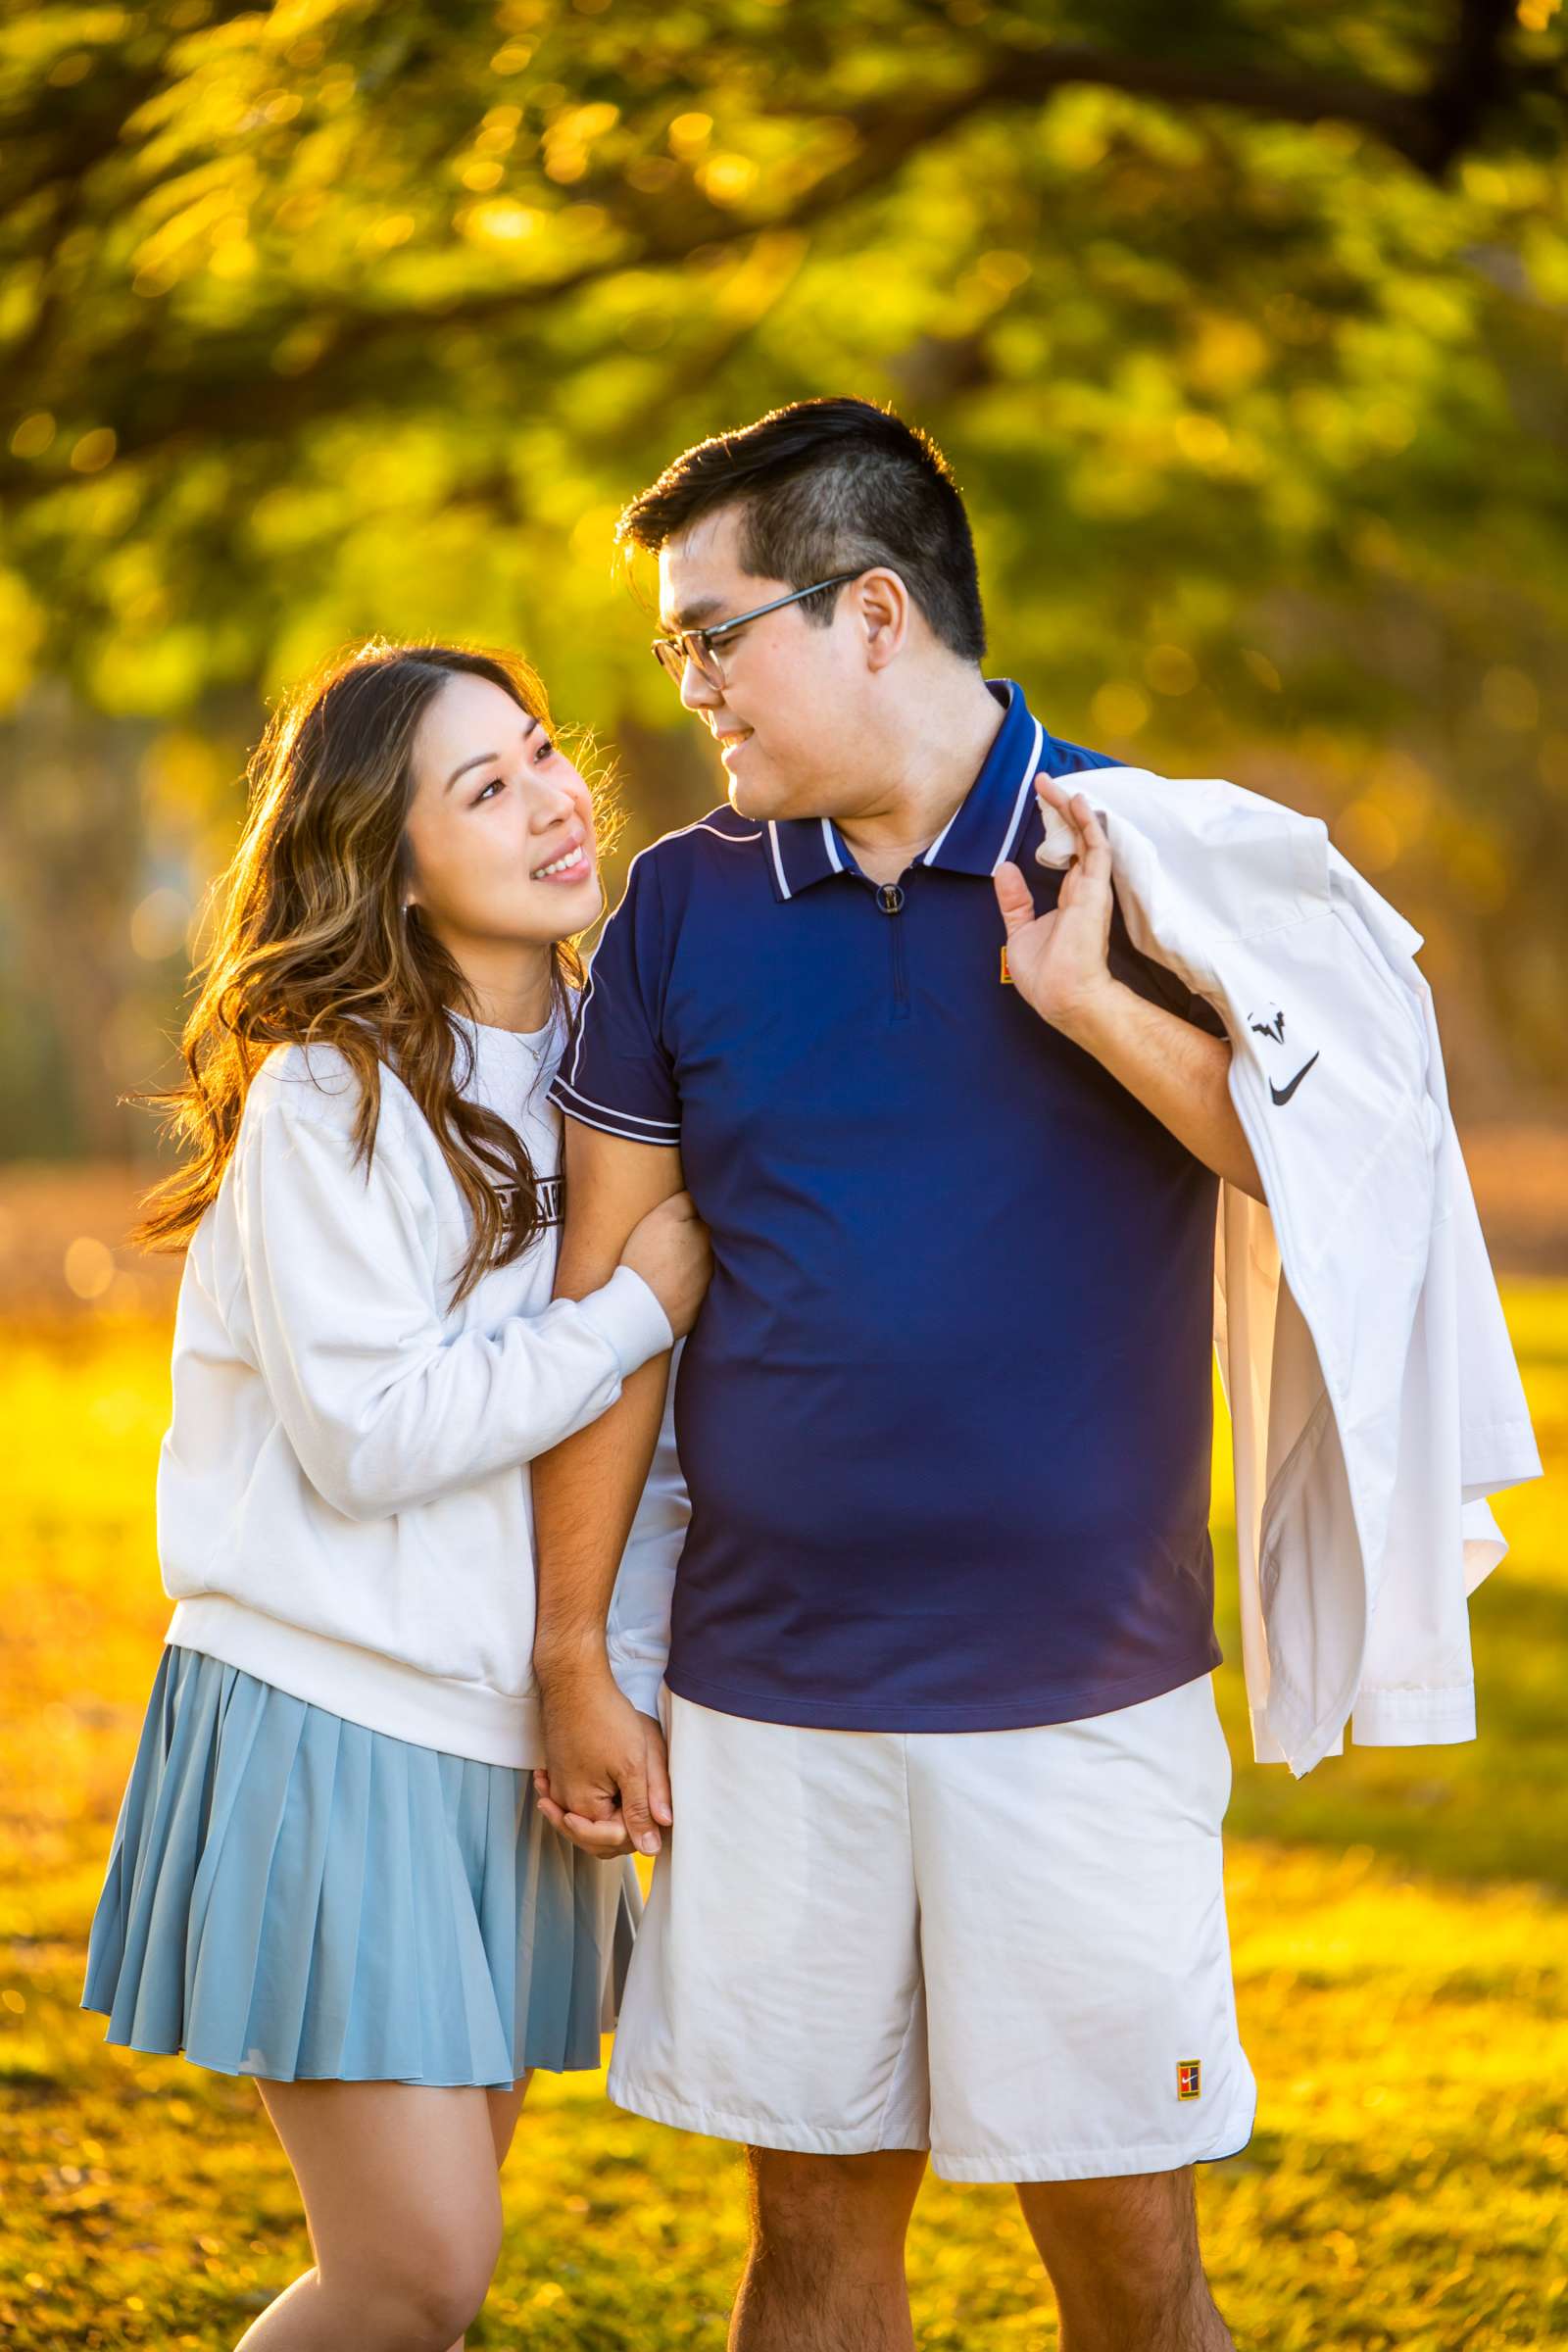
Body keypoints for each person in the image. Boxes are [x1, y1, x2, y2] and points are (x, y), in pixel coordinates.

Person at [530, 399, 1263, 2352]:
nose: (684, 684)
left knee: (1125, 2267)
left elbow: (1322, 1159)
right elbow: (602, 1312)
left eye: (712, 634)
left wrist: (1091, 998)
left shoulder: (1140, 847)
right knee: (811, 2255)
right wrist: (571, 1653)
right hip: (770, 1703)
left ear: (867, 613)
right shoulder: (677, 903)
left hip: (1078, 1701)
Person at [80, 640, 710, 2352]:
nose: (550, 800)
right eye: (480, 787)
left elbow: (638, 1458)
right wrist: (636, 1306)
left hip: (503, 1739)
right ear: (389, 855)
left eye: (540, 755)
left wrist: (617, 1689)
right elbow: (370, 1437)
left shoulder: (612, 1064)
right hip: (330, 1713)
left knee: (430, 2287)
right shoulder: (332, 1092)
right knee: (412, 2269)